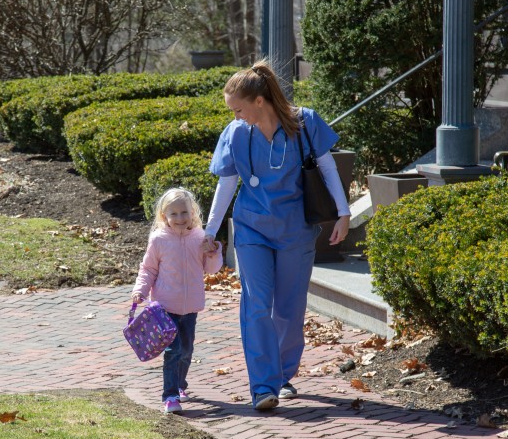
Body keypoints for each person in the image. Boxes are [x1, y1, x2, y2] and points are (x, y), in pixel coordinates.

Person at [203, 60, 350, 411]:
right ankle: (263, 387)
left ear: (259, 101)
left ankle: (283, 376)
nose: (235, 116)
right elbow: (227, 183)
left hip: (296, 230)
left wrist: (343, 212)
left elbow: (327, 166)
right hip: (252, 228)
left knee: (288, 309)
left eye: (238, 109)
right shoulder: (237, 133)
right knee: (256, 304)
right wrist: (209, 231)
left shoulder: (305, 123)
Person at [132, 188, 223, 414]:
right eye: (174, 214)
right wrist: (140, 290)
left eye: (185, 212)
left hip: (190, 307)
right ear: (164, 216)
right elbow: (149, 268)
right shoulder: (159, 239)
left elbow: (211, 270)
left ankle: (181, 385)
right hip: (165, 306)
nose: (180, 218)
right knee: (173, 350)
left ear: (193, 213)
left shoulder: (200, 237)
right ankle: (170, 395)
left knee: (187, 350)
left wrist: (213, 252)